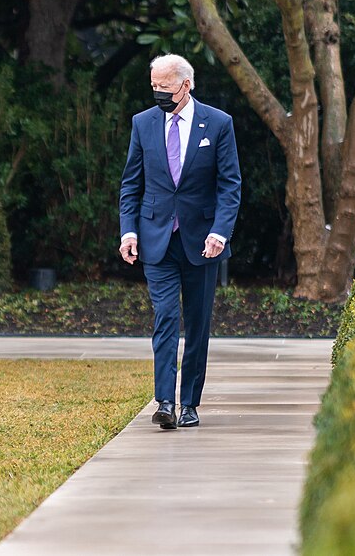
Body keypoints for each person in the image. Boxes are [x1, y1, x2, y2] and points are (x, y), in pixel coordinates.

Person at [119, 54, 241, 429]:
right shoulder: (143, 123)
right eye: (153, 86)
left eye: (165, 87)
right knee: (166, 318)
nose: (158, 93)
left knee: (198, 323)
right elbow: (131, 183)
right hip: (157, 239)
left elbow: (229, 184)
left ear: (186, 85)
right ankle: (165, 402)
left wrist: (220, 232)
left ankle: (190, 402)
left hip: (203, 241)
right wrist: (128, 230)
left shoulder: (218, 123)